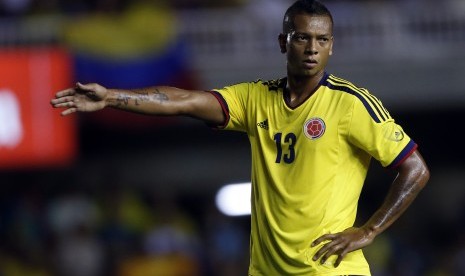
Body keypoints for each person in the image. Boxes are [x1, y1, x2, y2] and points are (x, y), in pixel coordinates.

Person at [50, 0, 430, 275]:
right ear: (284, 42)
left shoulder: (351, 105)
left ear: (331, 45)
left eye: (321, 39)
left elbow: (414, 168)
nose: (312, 48)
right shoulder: (256, 98)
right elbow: (182, 100)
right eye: (301, 38)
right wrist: (113, 96)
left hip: (330, 271)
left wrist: (370, 230)